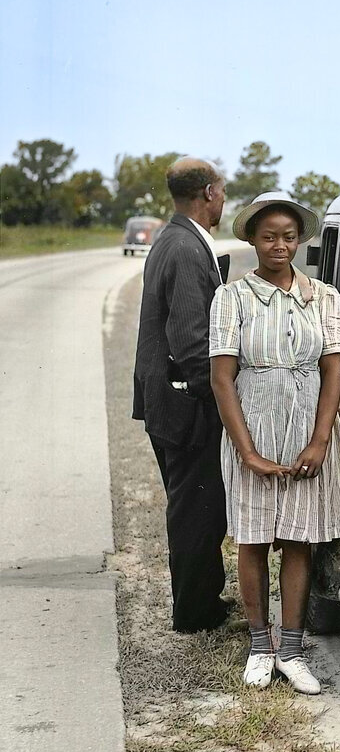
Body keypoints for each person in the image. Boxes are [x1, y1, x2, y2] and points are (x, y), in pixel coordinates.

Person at [209, 192, 340, 694]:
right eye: (268, 236)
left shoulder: (324, 297)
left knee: (298, 538)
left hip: (308, 428)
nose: (279, 246)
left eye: (288, 237)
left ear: (300, 241)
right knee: (252, 538)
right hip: (254, 424)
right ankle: (259, 645)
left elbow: (332, 370)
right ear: (251, 238)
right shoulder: (232, 298)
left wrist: (318, 442)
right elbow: (223, 379)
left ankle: (291, 649)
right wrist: (247, 451)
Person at [133, 157, 231, 633]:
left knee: (198, 502)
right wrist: (219, 398)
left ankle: (203, 600)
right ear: (209, 192)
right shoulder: (187, 249)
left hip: (170, 397)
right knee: (196, 508)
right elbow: (192, 341)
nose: (224, 199)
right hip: (186, 403)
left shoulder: (174, 239)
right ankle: (195, 613)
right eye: (223, 191)